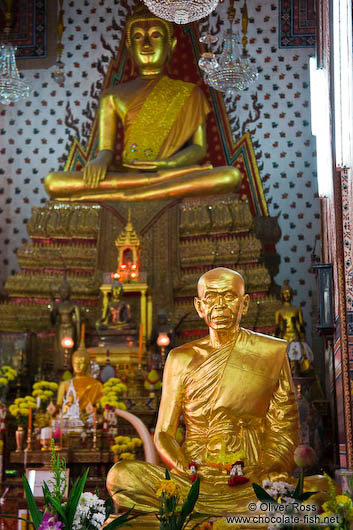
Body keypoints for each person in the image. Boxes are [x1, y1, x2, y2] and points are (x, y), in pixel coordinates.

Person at [106, 267, 303, 521]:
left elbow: (284, 428)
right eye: (211, 297)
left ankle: (205, 512)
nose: (220, 306)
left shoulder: (270, 353)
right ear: (199, 306)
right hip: (193, 477)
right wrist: (185, 469)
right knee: (121, 477)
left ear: (244, 304)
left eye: (229, 297)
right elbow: (164, 433)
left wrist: (271, 471)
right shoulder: (180, 358)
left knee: (313, 490)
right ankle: (218, 510)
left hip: (249, 476)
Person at [44, 6, 241, 202]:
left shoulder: (191, 92)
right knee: (54, 182)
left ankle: (128, 195)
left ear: (171, 46)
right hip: (127, 176)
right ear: (130, 47)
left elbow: (199, 148)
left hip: (171, 174)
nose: (146, 44)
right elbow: (106, 150)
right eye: (138, 37)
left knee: (229, 176)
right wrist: (99, 161)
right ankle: (136, 192)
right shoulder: (111, 96)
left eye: (155, 36)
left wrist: (169, 164)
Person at [275, 280, 314, 375]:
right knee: (284, 360)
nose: (287, 295)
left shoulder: (297, 309)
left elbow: (300, 325)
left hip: (295, 336)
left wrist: (303, 338)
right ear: (282, 295)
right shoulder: (279, 312)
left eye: (288, 293)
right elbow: (278, 327)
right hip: (284, 336)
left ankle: (297, 375)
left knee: (299, 357)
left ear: (292, 294)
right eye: (285, 293)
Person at [57, 340, 103, 412]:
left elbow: (100, 407)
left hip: (88, 417)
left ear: (87, 365)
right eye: (75, 363)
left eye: (81, 363)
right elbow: (59, 406)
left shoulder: (96, 385)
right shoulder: (65, 384)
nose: (78, 366)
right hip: (70, 418)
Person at [50, 277, 80, 371]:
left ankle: (69, 369)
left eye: (66, 291)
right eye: (62, 291)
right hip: (60, 329)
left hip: (70, 329)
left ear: (69, 292)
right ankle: (59, 369)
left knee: (70, 350)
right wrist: (52, 309)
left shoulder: (74, 306)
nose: (64, 293)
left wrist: (79, 338)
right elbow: (53, 321)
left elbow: (78, 322)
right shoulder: (58, 305)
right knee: (59, 350)